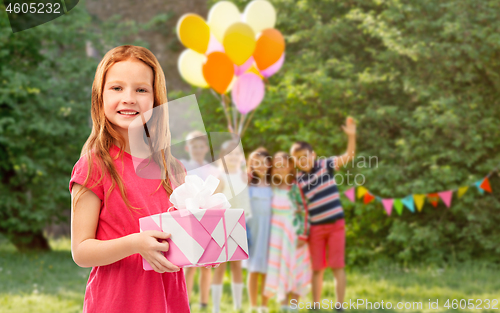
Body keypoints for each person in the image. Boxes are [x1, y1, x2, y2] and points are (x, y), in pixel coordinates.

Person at [69, 45, 195, 313]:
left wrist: (207, 249)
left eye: (141, 89)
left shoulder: (173, 169)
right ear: (99, 97)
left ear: (156, 99)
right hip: (116, 304)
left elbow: (182, 240)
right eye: (117, 88)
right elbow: (81, 251)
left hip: (168, 303)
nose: (129, 98)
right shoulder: (94, 165)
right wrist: (135, 244)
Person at [290, 117, 357, 312]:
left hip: (336, 225)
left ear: (314, 155)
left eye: (305, 156)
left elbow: (349, 155)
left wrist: (351, 136)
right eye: (298, 159)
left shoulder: (325, 165)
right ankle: (315, 304)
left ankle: (339, 305)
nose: (303, 161)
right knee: (317, 268)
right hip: (316, 228)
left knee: (337, 266)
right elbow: (300, 207)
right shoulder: (299, 181)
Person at [264, 152, 311, 312]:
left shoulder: (296, 187)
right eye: (277, 166)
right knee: (279, 269)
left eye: (283, 165)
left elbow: (304, 211)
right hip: (277, 235)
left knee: (293, 267)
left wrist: (303, 234)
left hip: (293, 232)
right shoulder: (272, 187)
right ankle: (283, 306)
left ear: (290, 166)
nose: (280, 169)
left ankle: (293, 307)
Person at [180, 130, 222, 311]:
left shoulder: (212, 169)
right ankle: (185, 300)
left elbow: (217, 191)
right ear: (187, 148)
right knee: (190, 264)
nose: (197, 149)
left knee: (207, 263)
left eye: (201, 146)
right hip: (189, 217)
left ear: (206, 148)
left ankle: (204, 301)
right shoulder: (182, 166)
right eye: (194, 146)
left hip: (208, 218)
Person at [211, 139, 252, 313]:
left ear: (241, 157)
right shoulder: (220, 177)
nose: (233, 157)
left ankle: (237, 305)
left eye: (237, 153)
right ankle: (217, 307)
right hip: (223, 224)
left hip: (241, 225)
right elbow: (213, 202)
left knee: (237, 266)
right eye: (230, 154)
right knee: (220, 266)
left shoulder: (244, 177)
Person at [246, 148, 273, 313]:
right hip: (253, 231)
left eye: (264, 163)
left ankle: (264, 305)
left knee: (267, 270)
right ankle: (253, 306)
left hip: (270, 231)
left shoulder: (274, 185)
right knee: (254, 268)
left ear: (269, 164)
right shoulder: (248, 185)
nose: (261, 166)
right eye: (256, 163)